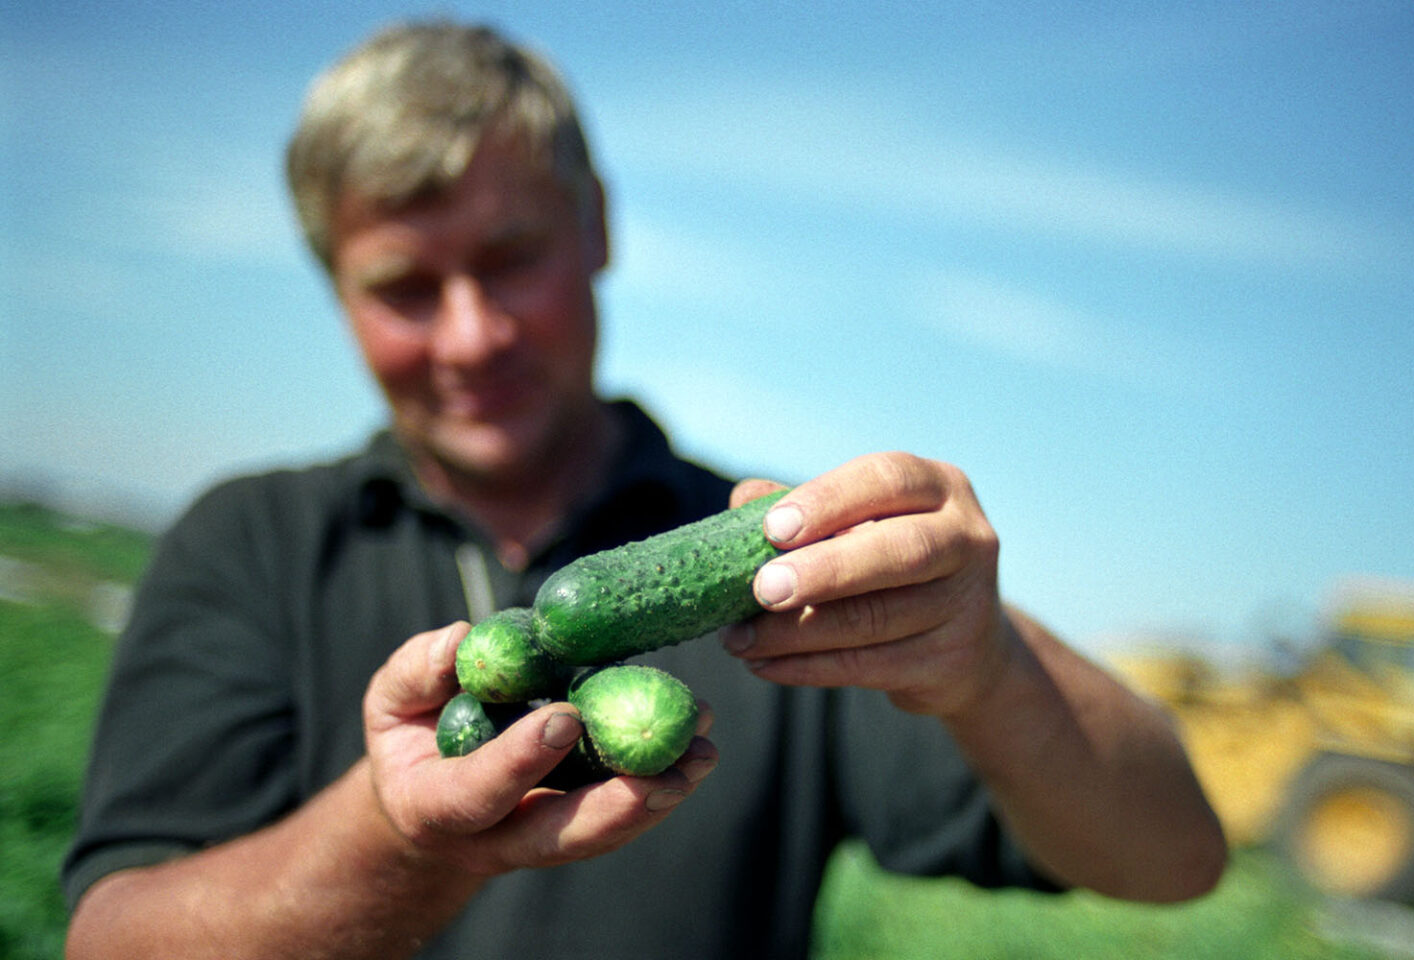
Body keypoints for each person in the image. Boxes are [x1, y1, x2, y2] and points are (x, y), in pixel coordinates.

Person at [61, 20, 1226, 960]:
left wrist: (989, 668)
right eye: (406, 286)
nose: (472, 336)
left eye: (512, 257)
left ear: (600, 227)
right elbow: (113, 941)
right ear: (337, 294)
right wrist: (398, 832)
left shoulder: (784, 565)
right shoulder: (247, 542)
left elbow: (1174, 861)